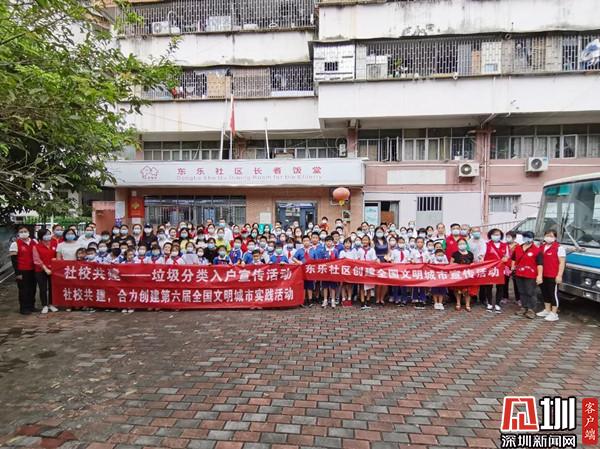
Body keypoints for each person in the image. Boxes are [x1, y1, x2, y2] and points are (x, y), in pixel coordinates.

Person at [536, 229, 566, 322]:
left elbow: (562, 263)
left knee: (553, 294)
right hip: (543, 274)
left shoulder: (559, 248)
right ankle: (547, 310)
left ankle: (554, 313)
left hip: (553, 275)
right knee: (545, 293)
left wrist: (559, 275)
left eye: (551, 236)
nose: (549, 237)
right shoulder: (541, 247)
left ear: (555, 237)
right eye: (547, 235)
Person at [512, 231, 541, 320]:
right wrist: (513, 266)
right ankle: (524, 307)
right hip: (519, 273)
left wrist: (539, 276)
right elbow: (513, 258)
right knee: (522, 291)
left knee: (531, 292)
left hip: (531, 275)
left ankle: (531, 310)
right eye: (525, 237)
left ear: (532, 238)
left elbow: (540, 264)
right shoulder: (518, 248)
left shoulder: (536, 250)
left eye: (529, 237)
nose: (526, 239)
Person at [480, 228, 509, 314]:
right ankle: (489, 303)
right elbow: (481, 255)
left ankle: (497, 303)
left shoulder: (504, 245)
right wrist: (480, 258)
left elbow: (507, 256)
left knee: (500, 287)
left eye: (498, 234)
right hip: (490, 269)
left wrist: (505, 258)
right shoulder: (486, 244)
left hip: (501, 269)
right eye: (494, 234)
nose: (496, 236)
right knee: (488, 287)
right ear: (490, 235)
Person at [10, 225, 38, 315]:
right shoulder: (15, 244)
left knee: (32, 289)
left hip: (33, 269)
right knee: (24, 290)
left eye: (25, 231)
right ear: (18, 234)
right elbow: (14, 260)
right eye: (21, 232)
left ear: (29, 232)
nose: (23, 233)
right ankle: (24, 308)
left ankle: (31, 306)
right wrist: (17, 273)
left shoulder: (34, 242)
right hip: (22, 270)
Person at [33, 228, 59, 314]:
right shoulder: (36, 246)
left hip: (53, 269)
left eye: (49, 234)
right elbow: (36, 259)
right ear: (41, 236)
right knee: (43, 288)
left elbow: (58, 254)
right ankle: (44, 305)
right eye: (46, 234)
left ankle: (51, 304)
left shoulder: (54, 243)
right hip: (40, 270)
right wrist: (45, 268)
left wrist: (56, 259)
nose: (48, 236)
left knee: (52, 287)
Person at [451, 238, 476, 312]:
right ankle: (458, 303)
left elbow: (473, 263)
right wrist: (455, 265)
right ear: (457, 245)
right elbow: (451, 264)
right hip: (458, 275)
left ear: (466, 244)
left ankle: (467, 305)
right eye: (460, 244)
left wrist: (472, 265)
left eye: (463, 243)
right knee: (457, 290)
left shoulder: (470, 254)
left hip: (467, 275)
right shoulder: (455, 254)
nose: (462, 245)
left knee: (467, 290)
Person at [356, 235, 377, 310]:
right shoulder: (359, 250)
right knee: (361, 286)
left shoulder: (372, 250)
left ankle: (368, 301)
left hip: (369, 270)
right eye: (363, 240)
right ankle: (362, 301)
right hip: (361, 269)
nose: (365, 241)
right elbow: (357, 259)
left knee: (369, 286)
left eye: (366, 240)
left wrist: (369, 263)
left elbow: (374, 259)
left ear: (369, 241)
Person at [409, 236, 430, 309]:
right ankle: (415, 299)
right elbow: (409, 259)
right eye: (418, 242)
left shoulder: (426, 252)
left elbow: (429, 259)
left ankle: (422, 299)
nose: (420, 243)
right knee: (415, 284)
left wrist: (427, 261)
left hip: (423, 270)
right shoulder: (413, 251)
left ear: (423, 243)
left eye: (421, 242)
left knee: (422, 285)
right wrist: (412, 261)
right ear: (416, 243)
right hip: (416, 270)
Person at [337, 238, 356, 306]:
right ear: (343, 244)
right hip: (343, 271)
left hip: (350, 271)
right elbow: (339, 261)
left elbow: (355, 261)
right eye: (346, 243)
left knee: (350, 285)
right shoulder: (342, 252)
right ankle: (343, 298)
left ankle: (349, 298)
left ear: (351, 244)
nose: (347, 244)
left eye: (349, 243)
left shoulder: (353, 252)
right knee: (343, 285)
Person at [320, 236, 337, 308]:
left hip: (333, 271)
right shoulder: (323, 251)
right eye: (327, 241)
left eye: (330, 241)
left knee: (333, 286)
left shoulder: (335, 251)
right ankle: (325, 300)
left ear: (332, 242)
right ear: (325, 242)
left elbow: (338, 260)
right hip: (325, 271)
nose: (328, 243)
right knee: (325, 286)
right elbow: (320, 261)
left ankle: (333, 300)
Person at [373, 226, 388, 305]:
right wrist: (376, 259)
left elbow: (389, 251)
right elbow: (372, 251)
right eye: (378, 231)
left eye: (381, 231)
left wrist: (388, 256)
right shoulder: (373, 241)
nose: (379, 233)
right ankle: (377, 298)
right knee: (378, 282)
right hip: (377, 261)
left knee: (385, 282)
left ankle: (382, 298)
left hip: (385, 261)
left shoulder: (386, 241)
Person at [504, 230, 521, 305]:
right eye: (507, 237)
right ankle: (505, 297)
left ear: (514, 238)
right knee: (504, 283)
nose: (507, 238)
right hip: (505, 266)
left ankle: (518, 299)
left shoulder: (518, 246)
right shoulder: (504, 245)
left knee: (516, 283)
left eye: (509, 237)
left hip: (514, 267)